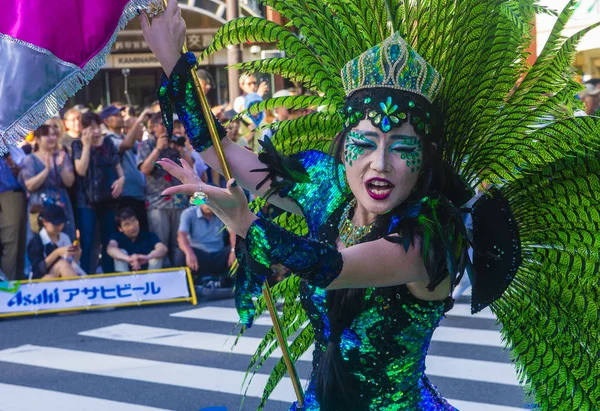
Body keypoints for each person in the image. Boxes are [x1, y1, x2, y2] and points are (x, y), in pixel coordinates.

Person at [142, 1, 600, 410]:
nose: (379, 163)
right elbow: (217, 150)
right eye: (365, 142)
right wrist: (171, 60)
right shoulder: (329, 191)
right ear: (344, 149)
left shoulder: (432, 236)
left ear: (424, 161)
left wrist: (246, 221)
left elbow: (332, 266)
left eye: (401, 146)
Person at [73, 111, 125, 274]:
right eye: (90, 128)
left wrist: (121, 180)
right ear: (83, 129)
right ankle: (87, 275)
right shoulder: (78, 144)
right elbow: (81, 170)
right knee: (87, 241)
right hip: (86, 201)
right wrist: (87, 145)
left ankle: (110, 274)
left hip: (107, 198)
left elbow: (119, 169)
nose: (94, 132)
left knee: (109, 239)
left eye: (96, 127)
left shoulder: (108, 142)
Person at [138, 112, 193, 266]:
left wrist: (182, 150)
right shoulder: (147, 144)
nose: (168, 128)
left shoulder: (177, 143)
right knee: (161, 245)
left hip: (180, 202)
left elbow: (191, 169)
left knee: (179, 244)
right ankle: (162, 281)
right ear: (154, 127)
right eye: (164, 124)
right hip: (158, 203)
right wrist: (158, 149)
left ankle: (181, 277)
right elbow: (144, 169)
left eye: (173, 124)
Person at [20, 124, 76, 239]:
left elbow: (69, 182)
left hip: (61, 199)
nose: (52, 138)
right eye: (47, 135)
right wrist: (46, 170)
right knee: (40, 239)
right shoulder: (30, 159)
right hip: (40, 203)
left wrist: (61, 167)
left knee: (65, 236)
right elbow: (30, 185)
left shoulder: (61, 156)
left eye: (53, 135)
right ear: (37, 139)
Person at [103, 105, 151, 232]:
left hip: (138, 194)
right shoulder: (108, 139)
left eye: (121, 115)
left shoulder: (123, 136)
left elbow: (141, 148)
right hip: (125, 195)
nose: (121, 117)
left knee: (142, 232)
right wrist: (139, 120)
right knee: (130, 233)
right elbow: (126, 145)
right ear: (106, 121)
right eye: (116, 115)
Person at [176, 203, 236, 284]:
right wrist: (189, 253)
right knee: (180, 253)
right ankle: (188, 285)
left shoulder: (223, 213)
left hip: (218, 255)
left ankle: (231, 283)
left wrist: (233, 250)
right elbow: (181, 235)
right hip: (198, 256)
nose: (209, 205)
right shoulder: (188, 213)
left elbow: (233, 232)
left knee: (240, 250)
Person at [27, 204, 83, 279]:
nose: (59, 227)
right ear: (44, 222)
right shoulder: (37, 240)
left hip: (64, 276)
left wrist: (77, 255)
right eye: (55, 224)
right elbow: (38, 269)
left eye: (61, 223)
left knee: (64, 265)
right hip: (41, 279)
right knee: (62, 264)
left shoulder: (64, 237)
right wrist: (57, 253)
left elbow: (71, 266)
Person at [107, 207, 167, 272]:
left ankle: (152, 281)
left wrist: (147, 257)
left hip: (149, 275)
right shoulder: (117, 237)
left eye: (134, 221)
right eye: (127, 224)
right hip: (127, 277)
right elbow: (110, 248)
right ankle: (125, 281)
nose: (132, 227)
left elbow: (163, 248)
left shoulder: (148, 235)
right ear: (120, 228)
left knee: (156, 255)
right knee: (121, 252)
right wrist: (129, 258)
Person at [0, 146, 27, 281]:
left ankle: (13, 288)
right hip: (6, 195)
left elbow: (23, 164)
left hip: (12, 196)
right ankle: (8, 289)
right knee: (10, 244)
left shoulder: (7, 140)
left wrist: (11, 163)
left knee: (14, 244)